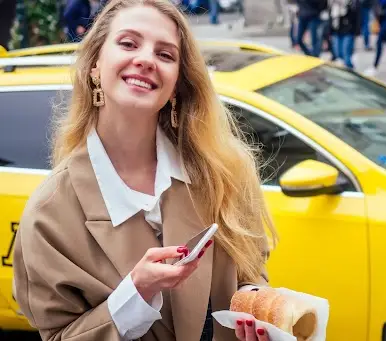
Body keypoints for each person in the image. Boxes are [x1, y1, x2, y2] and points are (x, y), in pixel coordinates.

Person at [12, 1, 278, 341]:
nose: (146, 59)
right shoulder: (49, 212)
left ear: (176, 86)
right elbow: (59, 335)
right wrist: (135, 293)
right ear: (94, 65)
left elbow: (251, 277)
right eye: (128, 43)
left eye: (165, 55)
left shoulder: (224, 174)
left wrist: (257, 310)